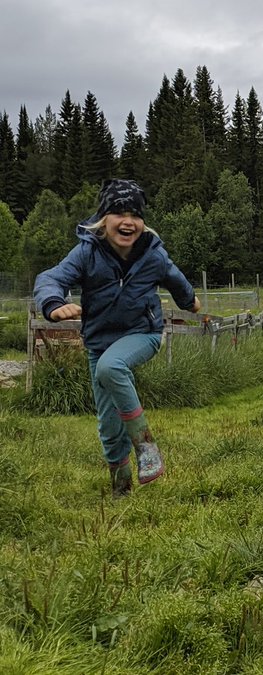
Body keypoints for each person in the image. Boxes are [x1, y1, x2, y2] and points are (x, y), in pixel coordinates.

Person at [33, 179, 201, 498]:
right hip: (99, 342)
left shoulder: (153, 254)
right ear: (104, 219)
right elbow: (51, 278)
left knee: (111, 367)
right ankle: (121, 490)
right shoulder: (87, 252)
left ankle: (147, 448)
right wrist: (53, 304)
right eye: (119, 213)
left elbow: (176, 280)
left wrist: (189, 301)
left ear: (142, 222)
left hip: (143, 334)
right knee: (108, 427)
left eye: (135, 215)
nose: (128, 221)